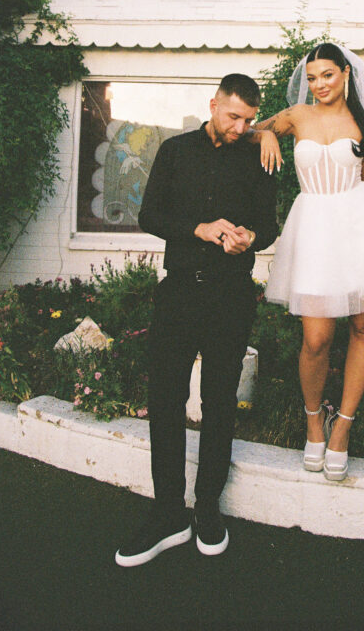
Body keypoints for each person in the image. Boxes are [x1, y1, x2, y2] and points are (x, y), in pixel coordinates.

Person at [254, 43, 364, 480]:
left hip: (359, 226)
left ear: (346, 75)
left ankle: (342, 430)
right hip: (314, 227)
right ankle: (314, 420)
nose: (319, 85)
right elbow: (248, 128)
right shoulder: (296, 116)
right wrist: (264, 132)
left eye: (328, 76)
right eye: (313, 77)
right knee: (316, 337)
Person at [115, 74, 277, 566]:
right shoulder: (175, 151)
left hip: (232, 296)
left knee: (220, 401)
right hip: (179, 292)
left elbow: (269, 224)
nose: (240, 127)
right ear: (213, 105)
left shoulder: (258, 155)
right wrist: (199, 229)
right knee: (165, 399)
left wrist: (250, 237)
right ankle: (168, 513)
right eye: (233, 117)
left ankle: (207, 508)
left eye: (250, 119)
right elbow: (149, 217)